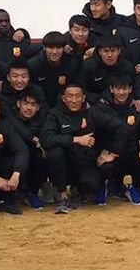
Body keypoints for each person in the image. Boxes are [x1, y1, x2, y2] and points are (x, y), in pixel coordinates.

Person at [42, 83, 102, 214]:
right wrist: (76, 140)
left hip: (84, 160)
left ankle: (77, 191)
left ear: (83, 97)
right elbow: (46, 139)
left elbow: (110, 129)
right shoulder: (54, 114)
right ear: (63, 98)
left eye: (77, 96)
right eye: (70, 96)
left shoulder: (91, 114)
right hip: (62, 163)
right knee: (55, 152)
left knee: (92, 184)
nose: (74, 100)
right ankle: (61, 193)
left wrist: (109, 151)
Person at [91, 76, 140, 205]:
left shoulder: (138, 108)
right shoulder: (101, 107)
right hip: (108, 154)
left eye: (125, 88)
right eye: (118, 88)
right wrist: (105, 153)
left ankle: (134, 187)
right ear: (111, 89)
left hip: (130, 153)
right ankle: (102, 186)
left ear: (130, 89)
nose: (121, 92)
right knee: (104, 164)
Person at [5, 91, 50, 211]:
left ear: (38, 107)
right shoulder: (9, 117)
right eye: (26, 103)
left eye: (33, 104)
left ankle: (32, 193)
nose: (29, 108)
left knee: (43, 157)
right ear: (18, 104)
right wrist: (31, 137)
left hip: (33, 152)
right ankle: (10, 197)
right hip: (11, 153)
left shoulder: (43, 118)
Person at [28, 31, 80, 99]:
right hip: (39, 101)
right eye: (51, 48)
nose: (54, 52)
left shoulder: (72, 63)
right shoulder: (33, 65)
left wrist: (65, 84)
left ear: (63, 48)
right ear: (44, 48)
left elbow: (75, 86)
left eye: (58, 48)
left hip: (63, 101)